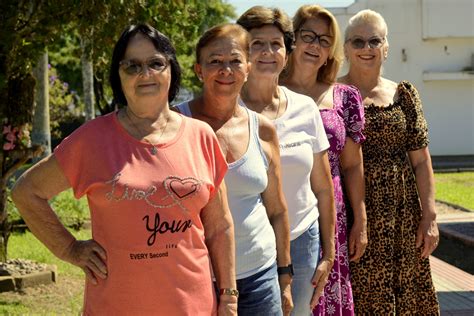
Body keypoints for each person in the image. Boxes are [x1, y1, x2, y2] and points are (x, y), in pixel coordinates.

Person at [11, 24, 238, 315]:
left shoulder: (201, 136)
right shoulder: (92, 139)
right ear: (119, 75)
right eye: (132, 66)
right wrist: (69, 248)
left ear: (171, 69)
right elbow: (27, 192)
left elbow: (220, 226)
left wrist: (229, 297)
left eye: (156, 63)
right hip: (116, 305)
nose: (145, 74)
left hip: (193, 305)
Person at [174, 23, 293, 315]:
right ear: (199, 70)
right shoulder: (176, 124)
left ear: (248, 68)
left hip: (259, 277)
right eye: (215, 61)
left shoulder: (263, 130)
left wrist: (285, 276)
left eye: (235, 60)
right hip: (196, 277)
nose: (225, 69)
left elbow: (276, 209)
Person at [338, 9, 440, 314]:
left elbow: (421, 161)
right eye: (358, 41)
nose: (366, 48)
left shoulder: (403, 94)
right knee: (359, 292)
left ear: (386, 47)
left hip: (402, 215)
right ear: (345, 48)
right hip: (352, 212)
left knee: (404, 290)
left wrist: (430, 216)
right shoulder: (332, 94)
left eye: (374, 41)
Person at [237, 7, 336, 315]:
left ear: (286, 50)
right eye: (257, 44)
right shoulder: (227, 111)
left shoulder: (305, 108)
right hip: (248, 248)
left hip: (302, 241)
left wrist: (329, 252)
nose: (268, 52)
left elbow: (322, 187)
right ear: (242, 50)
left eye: (276, 44)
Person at [279, 5, 367, 315]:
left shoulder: (344, 96)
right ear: (293, 40)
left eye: (325, 40)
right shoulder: (269, 91)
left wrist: (361, 219)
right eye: (308, 36)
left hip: (333, 215)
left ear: (331, 51)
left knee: (325, 295)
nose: (315, 46)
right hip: (281, 208)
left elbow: (353, 165)